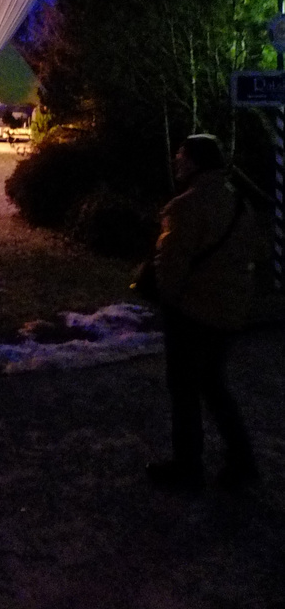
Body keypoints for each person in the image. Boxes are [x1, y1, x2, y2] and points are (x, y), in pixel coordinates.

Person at [147, 134, 259, 492]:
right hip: (229, 309)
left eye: (181, 156)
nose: (177, 161)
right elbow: (255, 249)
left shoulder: (186, 206)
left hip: (191, 310)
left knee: (184, 388)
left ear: (194, 161)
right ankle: (242, 460)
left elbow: (171, 263)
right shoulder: (239, 202)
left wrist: (167, 298)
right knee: (213, 385)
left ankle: (188, 465)